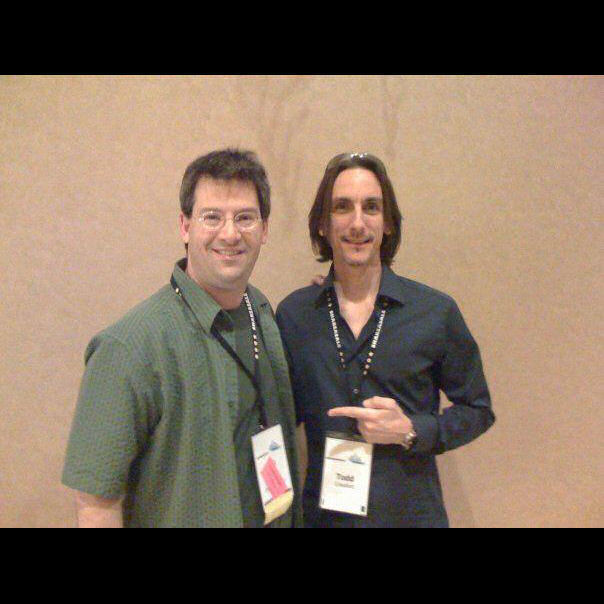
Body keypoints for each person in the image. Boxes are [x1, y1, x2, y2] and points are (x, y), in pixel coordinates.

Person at [62, 148, 301, 528]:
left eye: (245, 217)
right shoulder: (128, 348)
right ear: (185, 227)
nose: (230, 233)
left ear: (264, 229)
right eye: (212, 217)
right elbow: (95, 503)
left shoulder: (261, 314)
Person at [276, 152, 495, 528]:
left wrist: (411, 430)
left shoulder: (434, 312)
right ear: (323, 225)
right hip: (324, 520)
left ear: (388, 222)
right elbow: (279, 415)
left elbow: (478, 410)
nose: (357, 223)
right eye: (342, 207)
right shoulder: (295, 315)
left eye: (371, 207)